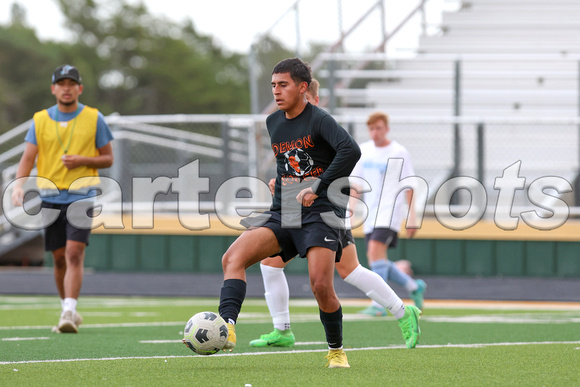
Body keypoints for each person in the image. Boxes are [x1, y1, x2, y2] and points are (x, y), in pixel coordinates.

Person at [212, 57, 366, 368]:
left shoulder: (320, 119)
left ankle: (336, 350)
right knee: (232, 258)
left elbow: (351, 150)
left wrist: (318, 187)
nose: (277, 91)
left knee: (321, 285)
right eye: (273, 86)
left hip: (321, 212)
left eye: (283, 85)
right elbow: (293, 162)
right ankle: (226, 327)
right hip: (285, 211)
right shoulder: (273, 123)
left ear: (302, 87)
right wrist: (281, 181)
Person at [250, 80, 422, 352]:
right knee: (271, 263)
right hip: (297, 202)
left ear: (311, 100)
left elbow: (339, 162)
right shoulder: (288, 125)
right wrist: (280, 182)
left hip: (325, 205)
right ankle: (281, 329)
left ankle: (401, 311)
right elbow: (294, 164)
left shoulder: (322, 125)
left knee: (348, 271)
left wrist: (335, 193)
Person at [11, 64, 114, 333]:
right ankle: (66, 306)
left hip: (82, 194)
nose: (66, 89)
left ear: (79, 88)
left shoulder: (94, 118)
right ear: (53, 88)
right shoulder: (40, 119)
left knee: (74, 252)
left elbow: (108, 157)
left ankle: (69, 310)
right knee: (58, 258)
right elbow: (28, 157)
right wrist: (18, 186)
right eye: (62, 84)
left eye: (72, 84)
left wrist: (83, 160)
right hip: (50, 196)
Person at [351, 111, 427, 317]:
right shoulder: (363, 151)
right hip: (371, 213)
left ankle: (378, 305)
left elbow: (409, 185)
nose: (375, 132)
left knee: (375, 253)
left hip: (390, 212)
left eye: (378, 128)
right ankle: (414, 286)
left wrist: (412, 217)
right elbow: (356, 184)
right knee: (377, 259)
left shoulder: (399, 151)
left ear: (386, 129)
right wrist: (350, 211)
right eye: (371, 128)